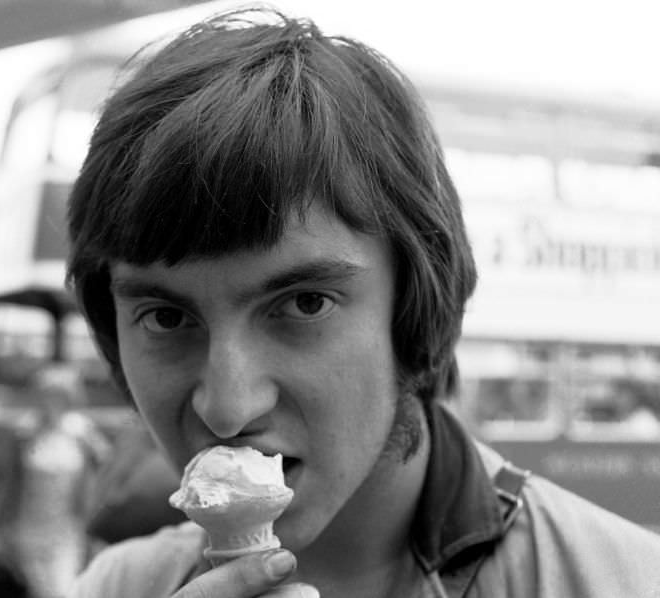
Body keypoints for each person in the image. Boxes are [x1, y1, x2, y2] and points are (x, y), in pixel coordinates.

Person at [64, 8, 660, 598]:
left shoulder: (624, 579)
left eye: (304, 305)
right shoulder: (116, 586)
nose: (228, 410)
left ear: (413, 308)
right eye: (167, 318)